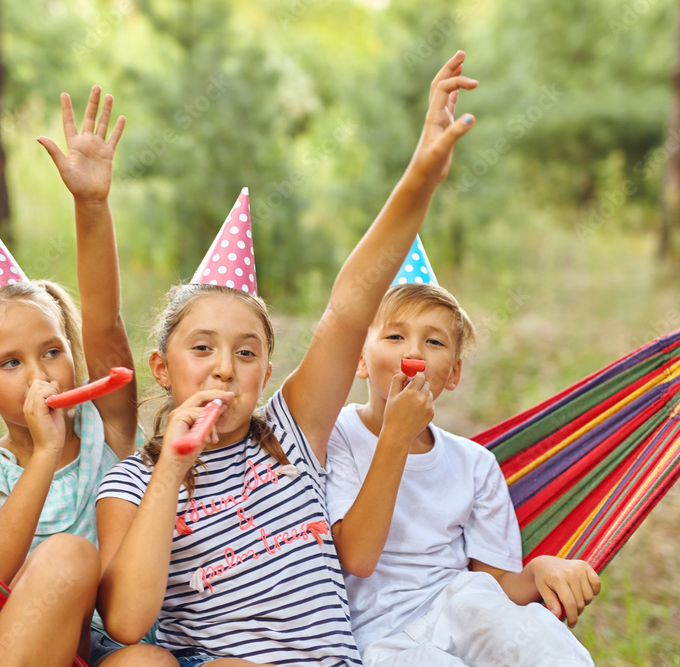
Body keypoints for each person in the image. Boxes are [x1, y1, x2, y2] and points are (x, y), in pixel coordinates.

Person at [95, 52, 478, 666]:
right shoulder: (130, 485)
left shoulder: (292, 434)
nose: (224, 368)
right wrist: (170, 469)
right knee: (132, 661)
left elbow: (350, 308)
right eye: (202, 349)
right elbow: (128, 619)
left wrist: (421, 178)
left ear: (265, 374)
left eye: (246, 354)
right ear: (161, 369)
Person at [0, 87, 173, 667]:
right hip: (22, 647)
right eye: (10, 364)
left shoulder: (107, 430)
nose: (40, 373)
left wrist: (92, 204)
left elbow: (105, 322)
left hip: (110, 644)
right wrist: (44, 457)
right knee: (69, 555)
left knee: (153, 663)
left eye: (51, 352)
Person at [326, 281, 601, 666]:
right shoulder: (334, 435)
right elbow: (357, 557)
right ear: (360, 359)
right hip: (383, 638)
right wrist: (395, 437)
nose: (413, 353)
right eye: (394, 335)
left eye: (434, 342)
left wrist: (539, 570)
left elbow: (499, 590)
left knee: (542, 645)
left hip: (464, 608)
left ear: (452, 374)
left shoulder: (475, 463)